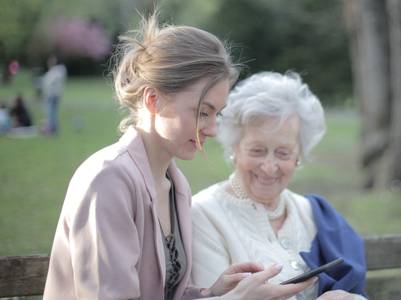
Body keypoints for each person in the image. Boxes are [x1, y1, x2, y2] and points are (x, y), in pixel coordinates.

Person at [43, 13, 315, 300]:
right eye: (202, 112)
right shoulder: (107, 180)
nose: (211, 129)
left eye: (216, 114)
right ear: (153, 99)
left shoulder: (176, 185)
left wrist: (211, 292)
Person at [191, 72, 367, 300]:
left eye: (283, 153)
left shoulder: (313, 213)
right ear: (234, 148)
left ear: (298, 156)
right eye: (257, 150)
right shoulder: (204, 215)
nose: (269, 166)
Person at [40, 54, 67, 135]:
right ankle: (53, 129)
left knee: (51, 113)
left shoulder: (56, 72)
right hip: (53, 95)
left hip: (52, 95)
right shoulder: (55, 72)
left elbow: (48, 83)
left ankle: (52, 129)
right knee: (52, 113)